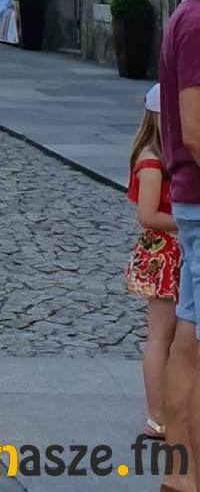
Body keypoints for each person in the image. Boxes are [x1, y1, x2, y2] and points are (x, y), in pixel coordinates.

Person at [160, 0, 200, 492]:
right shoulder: (196, 21)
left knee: (190, 336)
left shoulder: (187, 15)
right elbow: (195, 128)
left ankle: (181, 472)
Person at [126, 83, 180, 441]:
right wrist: (187, 220)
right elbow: (148, 215)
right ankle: (157, 415)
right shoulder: (151, 160)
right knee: (161, 336)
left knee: (175, 337)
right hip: (164, 252)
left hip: (174, 251)